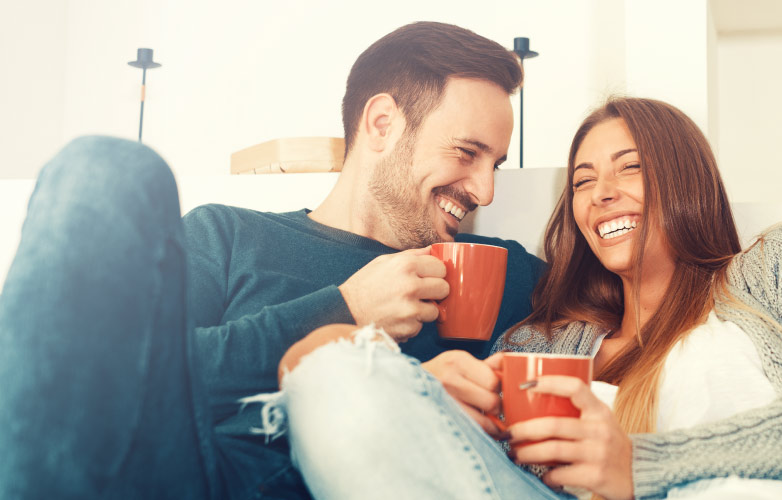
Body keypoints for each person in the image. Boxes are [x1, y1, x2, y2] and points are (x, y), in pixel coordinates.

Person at [0, 22, 545, 499]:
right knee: (104, 169)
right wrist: (343, 309)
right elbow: (123, 375)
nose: (485, 190)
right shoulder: (228, 235)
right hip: (189, 476)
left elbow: (624, 307)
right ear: (382, 124)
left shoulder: (494, 270)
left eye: (495, 163)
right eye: (467, 153)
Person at [270, 97, 782, 499]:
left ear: (685, 178)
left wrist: (641, 464)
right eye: (583, 181)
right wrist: (442, 398)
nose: (601, 194)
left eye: (630, 167)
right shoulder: (544, 344)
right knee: (325, 368)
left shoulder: (778, 264)